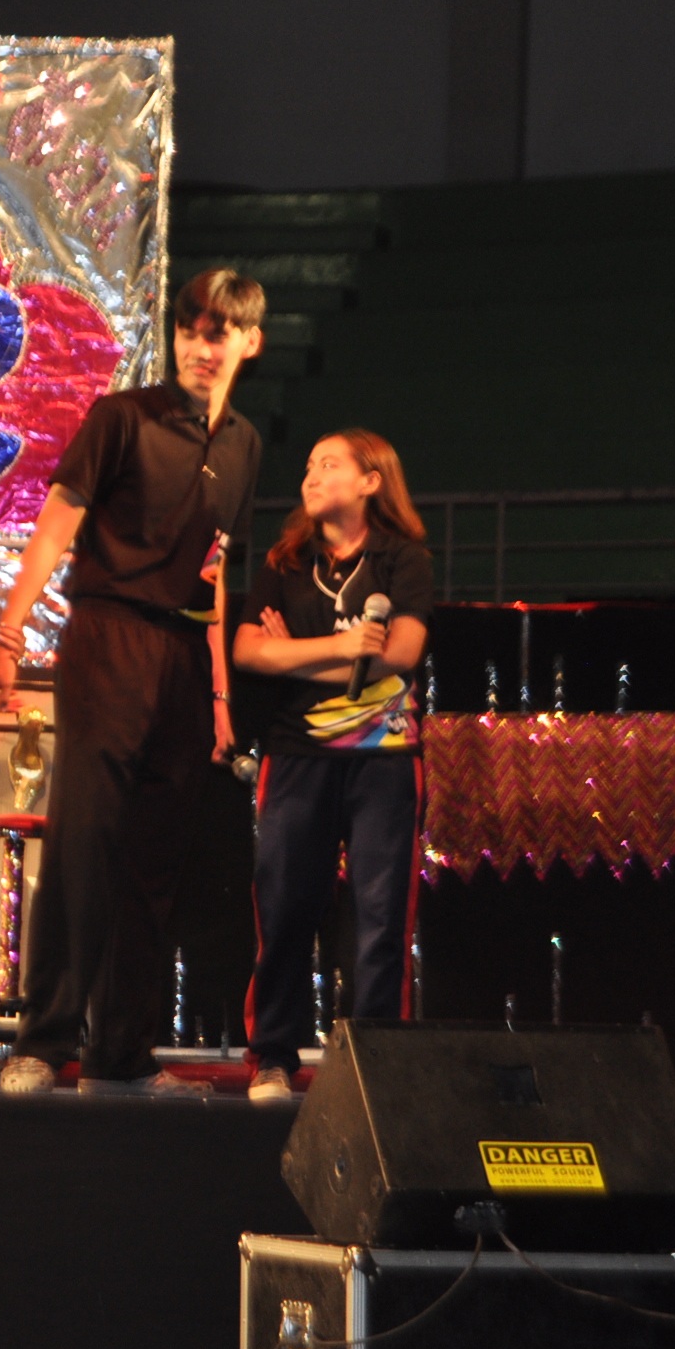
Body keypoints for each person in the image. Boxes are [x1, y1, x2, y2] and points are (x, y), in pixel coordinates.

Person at [0, 268, 265, 1097]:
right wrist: (8, 632)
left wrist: (220, 695)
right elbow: (57, 523)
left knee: (156, 857)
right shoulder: (123, 417)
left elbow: (215, 572)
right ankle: (44, 1042)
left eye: (217, 334)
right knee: (84, 840)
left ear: (250, 342)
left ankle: (123, 1054)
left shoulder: (244, 444)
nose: (199, 347)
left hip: (184, 657)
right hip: (109, 635)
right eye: (188, 331)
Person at [232, 429, 433, 1102]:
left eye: (328, 464)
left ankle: (373, 1065)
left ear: (371, 481)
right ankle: (273, 1056)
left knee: (380, 914)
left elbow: (400, 654)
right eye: (308, 466)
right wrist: (344, 648)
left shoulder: (403, 558)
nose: (311, 477)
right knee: (285, 904)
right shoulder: (286, 561)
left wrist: (295, 655)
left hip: (385, 758)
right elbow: (249, 652)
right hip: (297, 754)